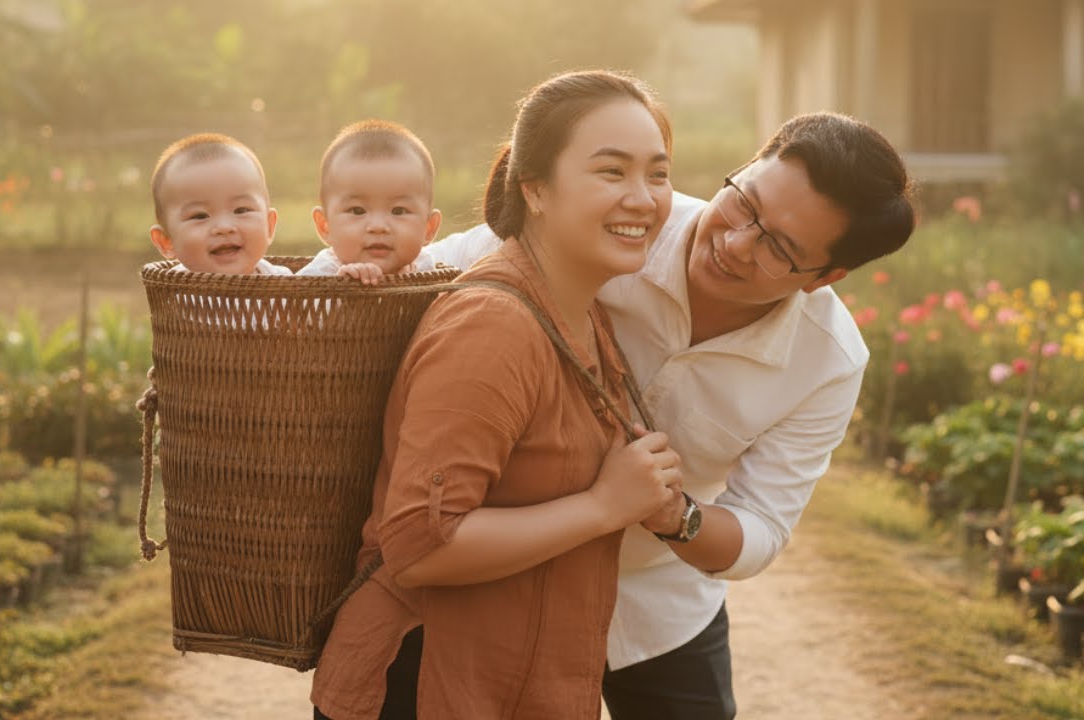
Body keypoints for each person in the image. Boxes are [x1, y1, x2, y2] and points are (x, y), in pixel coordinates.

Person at [427, 110, 917, 719]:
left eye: (779, 248)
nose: (736, 244)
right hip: (504, 567)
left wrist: (672, 514)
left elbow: (761, 529)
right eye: (745, 205)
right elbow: (435, 265)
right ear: (739, 171)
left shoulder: (829, 361)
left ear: (827, 277)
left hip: (656, 598)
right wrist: (285, 286)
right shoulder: (622, 223)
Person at [310, 70, 683, 719]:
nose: (643, 198)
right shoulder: (494, 326)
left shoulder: (584, 313)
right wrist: (603, 505)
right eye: (612, 172)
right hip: (427, 685)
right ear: (535, 189)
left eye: (657, 173)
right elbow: (421, 543)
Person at [297, 120, 443, 284]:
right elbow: (295, 308)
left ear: (428, 228)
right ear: (325, 226)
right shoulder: (317, 276)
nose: (378, 226)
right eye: (357, 211)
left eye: (399, 211)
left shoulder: (426, 270)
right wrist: (342, 292)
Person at [148, 133, 290, 275]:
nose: (224, 227)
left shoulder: (287, 285)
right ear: (166, 241)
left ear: (269, 225)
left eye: (241, 210)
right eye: (200, 216)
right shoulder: (172, 292)